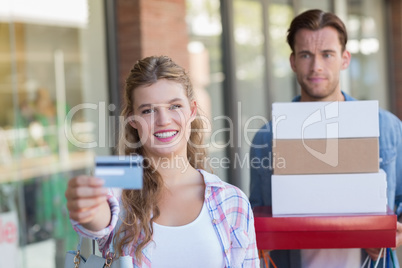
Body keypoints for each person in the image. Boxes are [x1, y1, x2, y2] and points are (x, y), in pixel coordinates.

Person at [65, 55, 259, 267]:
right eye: (148, 110)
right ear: (132, 119)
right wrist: (87, 209)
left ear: (192, 110)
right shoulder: (118, 175)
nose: (164, 120)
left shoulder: (231, 199)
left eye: (174, 106)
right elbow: (99, 218)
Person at [249, 9, 402, 268]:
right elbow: (256, 211)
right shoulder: (267, 136)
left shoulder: (386, 127)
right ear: (293, 61)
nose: (316, 66)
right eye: (306, 54)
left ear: (344, 59)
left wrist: (394, 232)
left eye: (327, 54)